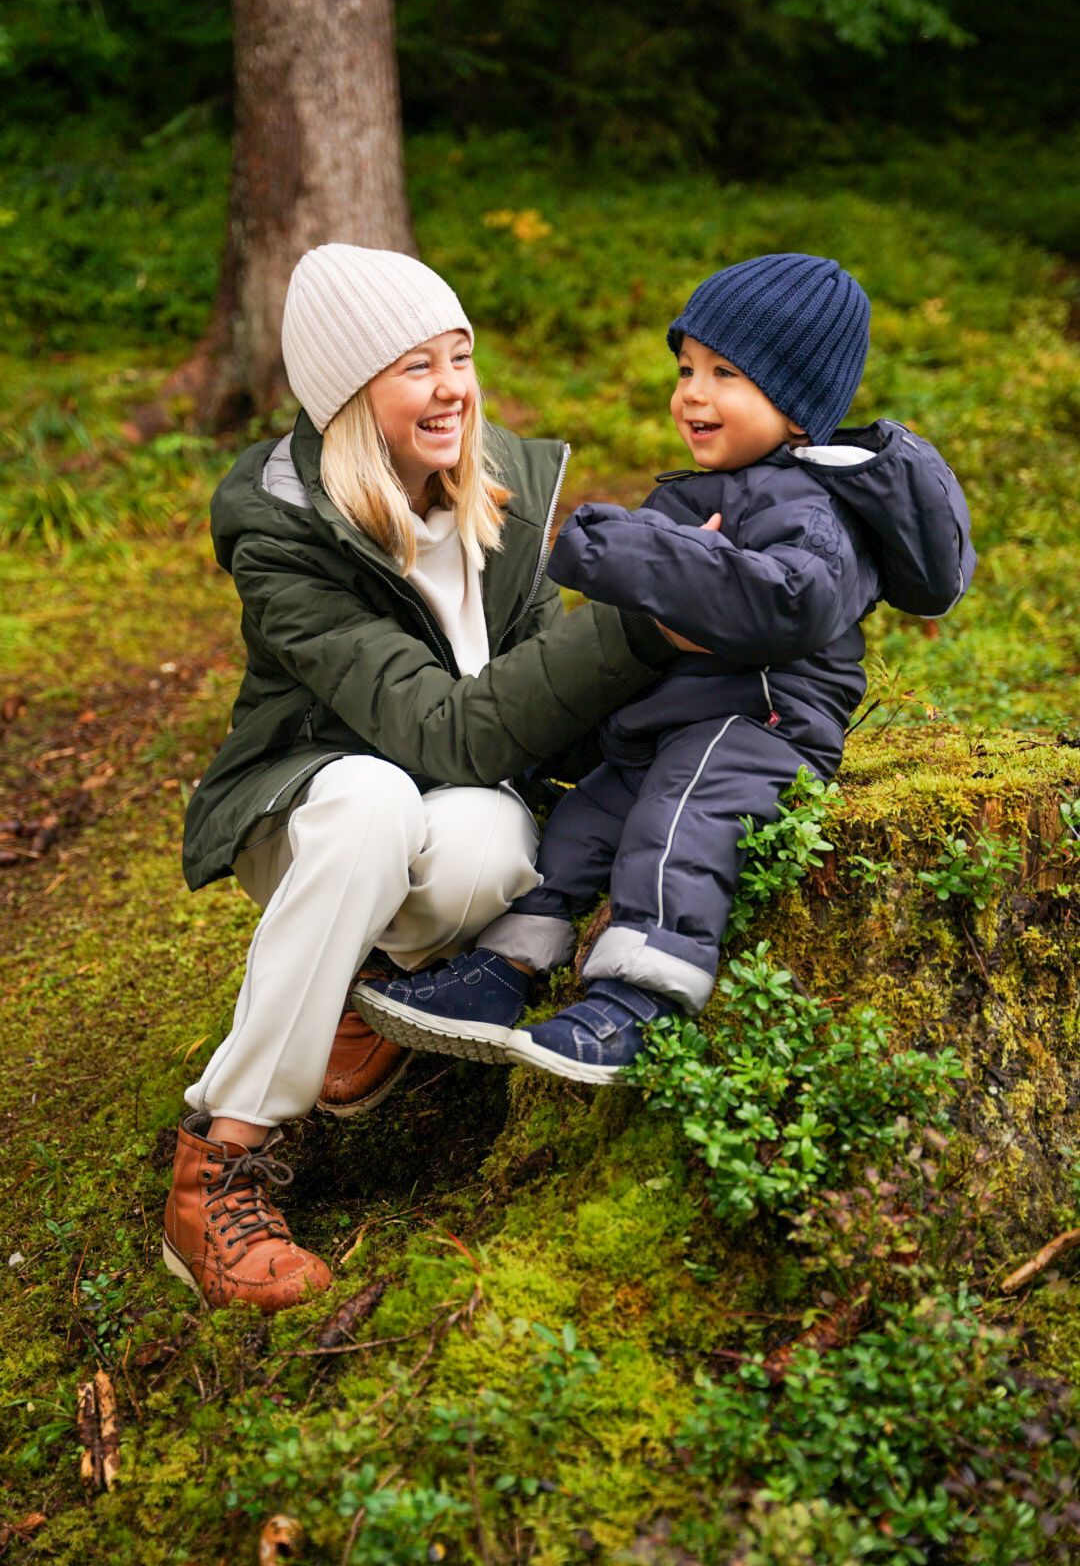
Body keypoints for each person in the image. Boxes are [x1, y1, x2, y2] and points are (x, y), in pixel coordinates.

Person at [165, 244, 681, 1311]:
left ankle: (354, 982)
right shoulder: (285, 531)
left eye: (461, 355)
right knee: (375, 796)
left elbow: (550, 718)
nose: (454, 386)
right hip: (301, 806)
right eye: (416, 365)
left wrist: (703, 671)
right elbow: (441, 732)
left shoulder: (501, 501)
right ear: (353, 395)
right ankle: (222, 1159)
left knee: (500, 842)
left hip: (432, 812)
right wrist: (632, 629)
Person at [355, 252, 975, 1080]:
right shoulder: (716, 486)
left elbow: (794, 602)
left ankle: (637, 1002)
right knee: (579, 826)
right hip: (673, 717)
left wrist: (633, 547)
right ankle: (504, 969)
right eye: (687, 368)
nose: (692, 393)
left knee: (679, 826)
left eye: (726, 374)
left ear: (797, 409)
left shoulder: (811, 506)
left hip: (760, 721)